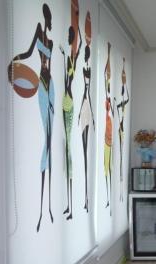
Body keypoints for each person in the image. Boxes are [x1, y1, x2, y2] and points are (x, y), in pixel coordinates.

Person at [11, 4, 54, 231]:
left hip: (52, 88)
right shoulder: (39, 30)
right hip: (42, 87)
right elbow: (28, 54)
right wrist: (13, 61)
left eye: (49, 18)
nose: (48, 21)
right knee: (45, 145)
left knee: (52, 145)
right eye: (47, 16)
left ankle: (48, 206)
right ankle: (40, 209)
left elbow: (51, 65)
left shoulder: (53, 43)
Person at [60, 25, 82, 220]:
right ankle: (69, 205)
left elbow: (80, 45)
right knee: (66, 149)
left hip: (70, 104)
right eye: (69, 35)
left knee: (68, 152)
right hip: (64, 104)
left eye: (70, 35)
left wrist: (81, 36)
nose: (69, 38)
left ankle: (71, 206)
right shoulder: (66, 55)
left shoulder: (72, 58)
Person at [79, 43, 94, 212]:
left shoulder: (88, 69)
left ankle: (86, 198)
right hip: (84, 109)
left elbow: (88, 94)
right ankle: (85, 198)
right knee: (84, 153)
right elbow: (85, 93)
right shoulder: (82, 67)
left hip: (87, 110)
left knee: (86, 154)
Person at [116, 58, 129, 202]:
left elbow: (128, 97)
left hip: (122, 130)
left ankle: (120, 193)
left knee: (120, 159)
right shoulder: (120, 104)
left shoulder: (123, 102)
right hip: (119, 129)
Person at [104, 43, 114, 212]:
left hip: (111, 135)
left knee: (109, 167)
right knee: (106, 167)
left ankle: (108, 198)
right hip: (107, 136)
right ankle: (107, 198)